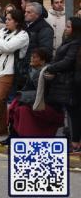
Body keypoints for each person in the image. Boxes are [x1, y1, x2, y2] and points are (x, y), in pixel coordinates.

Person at [3, 48, 63, 145]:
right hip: (35, 101)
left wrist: (25, 98)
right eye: (31, 56)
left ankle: (17, 137)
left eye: (34, 57)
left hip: (48, 105)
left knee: (21, 108)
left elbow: (45, 94)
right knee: (18, 105)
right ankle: (14, 136)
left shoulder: (46, 73)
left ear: (42, 61)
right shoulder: (33, 71)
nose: (31, 59)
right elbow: (26, 89)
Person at [0, 9, 29, 136]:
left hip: (9, 70)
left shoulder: (23, 35)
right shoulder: (2, 31)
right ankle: (0, 129)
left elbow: (9, 47)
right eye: (6, 19)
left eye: (9, 19)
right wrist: (3, 45)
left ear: (17, 22)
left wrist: (0, 44)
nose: (6, 21)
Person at [44, 17, 81, 152]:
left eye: (69, 26)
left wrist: (50, 68)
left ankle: (75, 141)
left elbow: (67, 61)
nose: (66, 28)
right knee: (71, 112)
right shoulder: (69, 41)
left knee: (74, 112)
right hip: (65, 82)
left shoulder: (76, 43)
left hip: (72, 83)